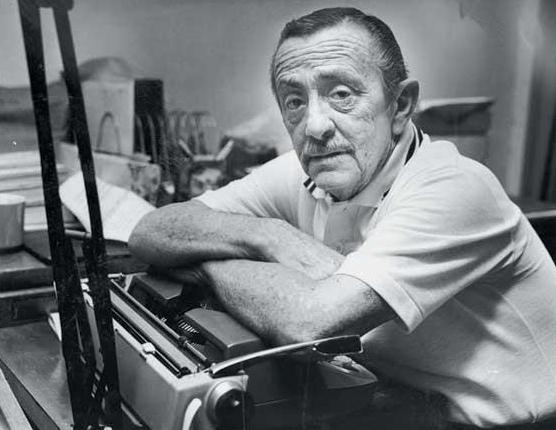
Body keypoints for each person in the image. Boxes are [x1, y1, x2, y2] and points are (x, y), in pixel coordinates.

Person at [128, 7, 556, 429]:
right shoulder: (307, 169)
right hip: (408, 400)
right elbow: (151, 231)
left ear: (400, 105)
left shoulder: (453, 187)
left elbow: (308, 323)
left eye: (342, 95)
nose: (315, 127)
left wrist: (203, 265)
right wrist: (267, 234)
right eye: (295, 101)